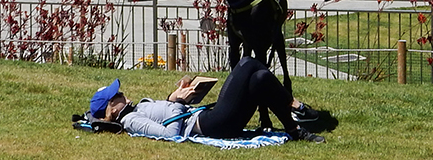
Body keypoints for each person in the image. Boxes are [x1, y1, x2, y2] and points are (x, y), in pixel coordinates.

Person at [87, 58, 321, 142]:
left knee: (260, 78)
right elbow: (171, 135)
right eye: (115, 96)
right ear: (112, 109)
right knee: (248, 63)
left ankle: (294, 129)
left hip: (210, 118)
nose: (121, 93)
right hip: (212, 125)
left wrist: (179, 93)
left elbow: (167, 109)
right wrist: (179, 102)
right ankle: (295, 106)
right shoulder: (131, 121)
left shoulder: (138, 107)